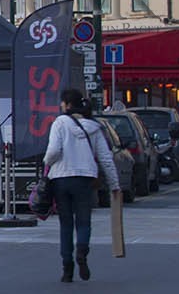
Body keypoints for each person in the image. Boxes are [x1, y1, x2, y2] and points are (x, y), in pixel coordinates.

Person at [43, 88, 121, 283]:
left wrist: (46, 163)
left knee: (66, 223)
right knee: (84, 221)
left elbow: (53, 151)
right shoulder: (95, 127)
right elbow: (105, 158)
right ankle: (82, 253)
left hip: (61, 178)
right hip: (85, 178)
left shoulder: (60, 123)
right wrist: (114, 184)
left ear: (67, 104)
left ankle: (67, 268)